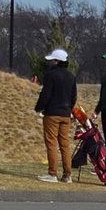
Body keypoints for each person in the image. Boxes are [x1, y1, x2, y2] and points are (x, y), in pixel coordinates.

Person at [34, 48, 77, 182]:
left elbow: (46, 95)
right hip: (66, 114)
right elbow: (73, 96)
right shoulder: (71, 77)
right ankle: (67, 175)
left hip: (52, 113)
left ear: (57, 61)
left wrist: (39, 108)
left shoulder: (51, 75)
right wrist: (69, 109)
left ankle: (52, 173)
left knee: (51, 143)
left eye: (52, 60)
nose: (50, 62)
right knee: (64, 144)